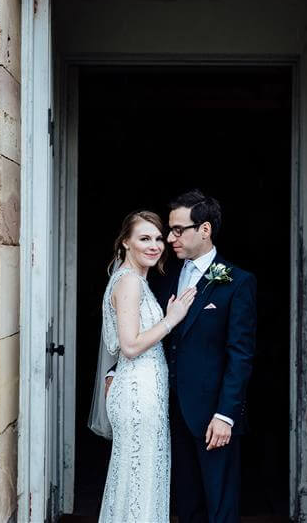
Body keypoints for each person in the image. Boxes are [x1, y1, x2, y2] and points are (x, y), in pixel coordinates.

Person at [90, 210, 197, 523]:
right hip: (137, 395)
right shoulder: (129, 283)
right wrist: (171, 319)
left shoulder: (134, 280)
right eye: (144, 238)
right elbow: (130, 345)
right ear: (125, 242)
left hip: (145, 391)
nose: (155, 245)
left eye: (158, 238)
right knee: (139, 479)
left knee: (140, 477)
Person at [157, 190, 257, 523]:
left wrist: (226, 415)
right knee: (182, 504)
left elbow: (240, 354)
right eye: (170, 229)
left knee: (220, 504)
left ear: (205, 230)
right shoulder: (164, 275)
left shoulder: (237, 281)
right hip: (169, 411)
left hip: (213, 416)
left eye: (178, 229)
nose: (170, 238)